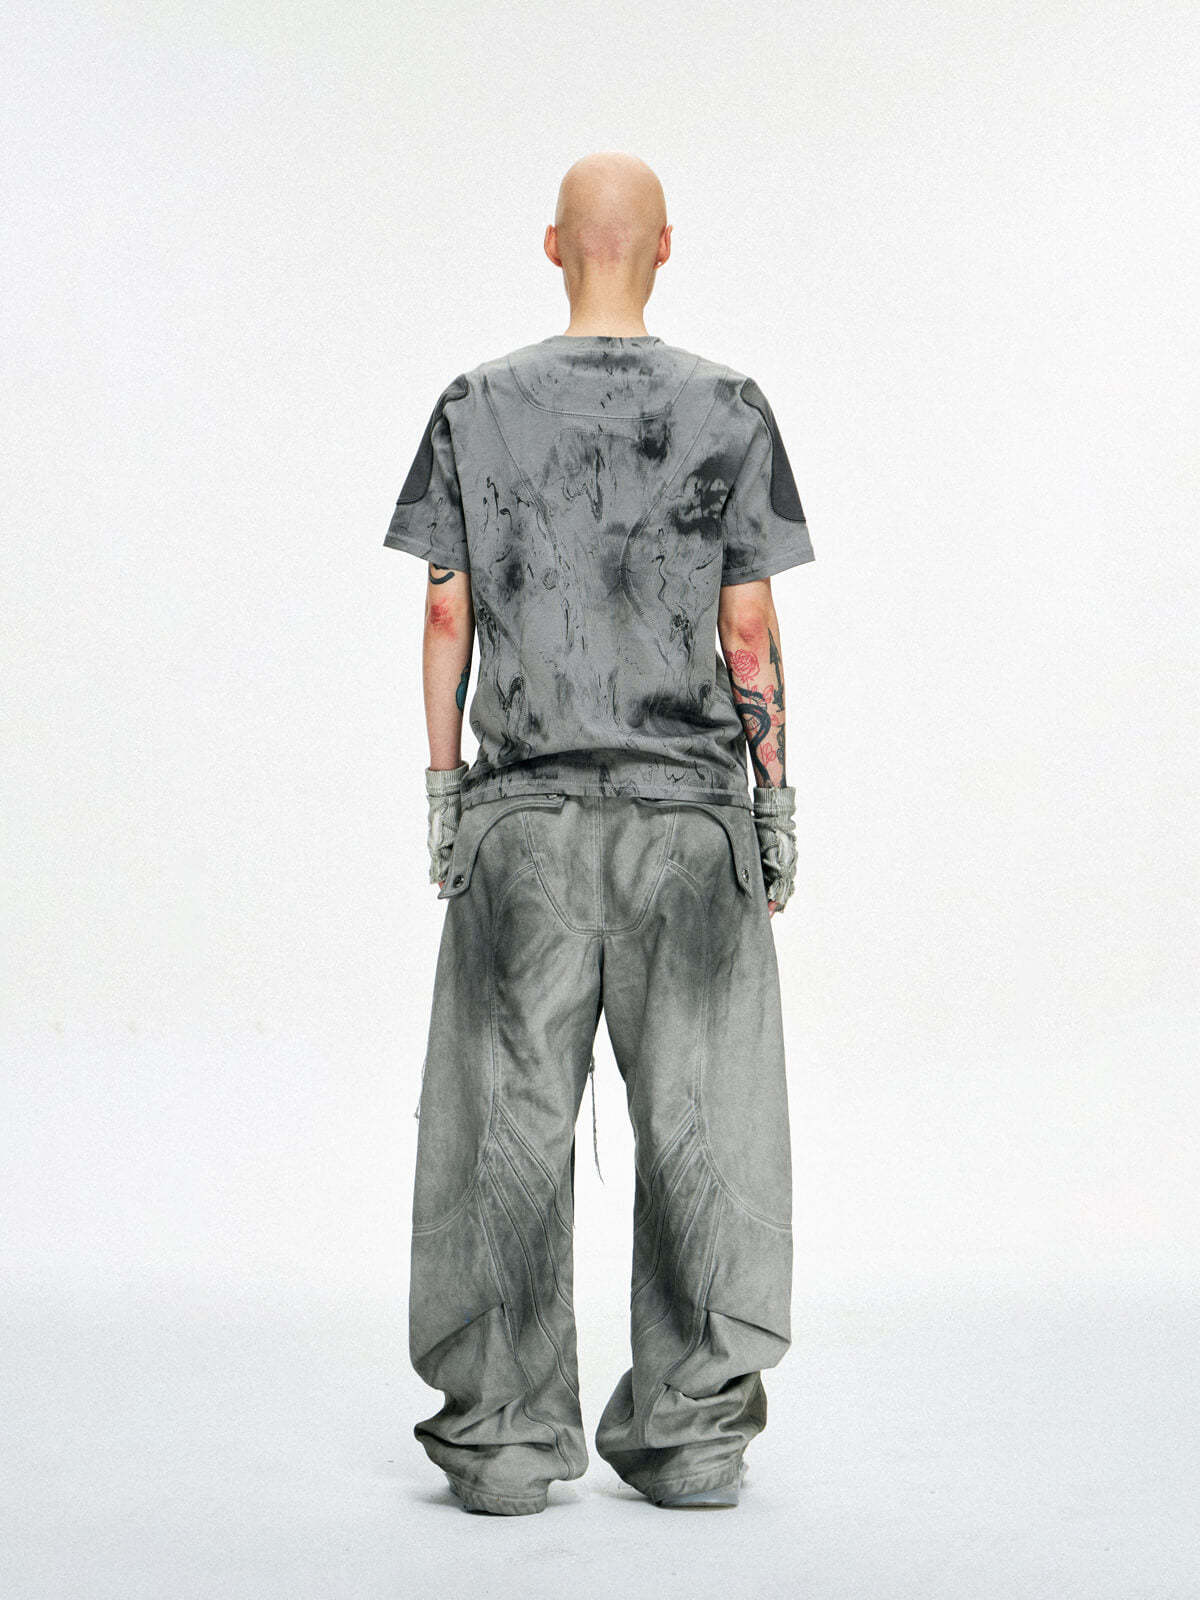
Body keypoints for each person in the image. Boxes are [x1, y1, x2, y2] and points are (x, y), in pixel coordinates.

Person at [382, 151, 815, 1515]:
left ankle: (504, 1445)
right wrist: (775, 804)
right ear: (666, 247)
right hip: (690, 825)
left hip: (524, 827)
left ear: (552, 245)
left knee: (503, 1134)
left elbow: (445, 612)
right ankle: (692, 1442)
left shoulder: (475, 406)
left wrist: (445, 794)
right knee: (702, 1131)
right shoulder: (729, 407)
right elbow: (750, 629)